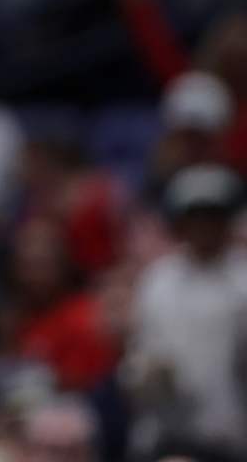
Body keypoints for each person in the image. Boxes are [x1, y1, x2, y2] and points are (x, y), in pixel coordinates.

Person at [124, 164, 247, 459]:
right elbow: (140, 353)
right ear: (180, 223)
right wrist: (148, 372)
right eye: (195, 217)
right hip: (164, 431)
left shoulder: (243, 279)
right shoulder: (157, 280)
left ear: (227, 221)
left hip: (228, 433)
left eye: (212, 217)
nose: (203, 226)